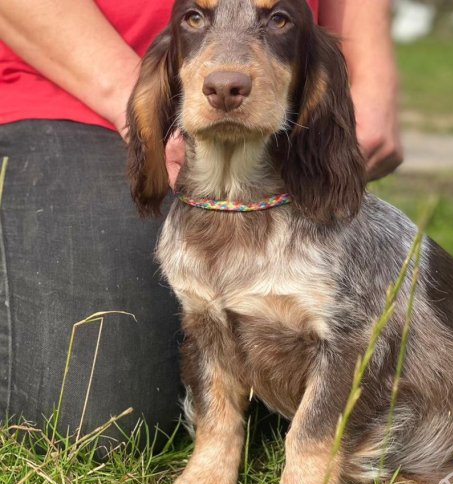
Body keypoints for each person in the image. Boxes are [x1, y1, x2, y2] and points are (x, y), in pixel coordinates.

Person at [0, 0, 402, 447]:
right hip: (66, 80)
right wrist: (137, 104)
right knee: (102, 417)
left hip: (284, 91)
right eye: (196, 16)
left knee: (338, 320)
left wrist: (372, 70)